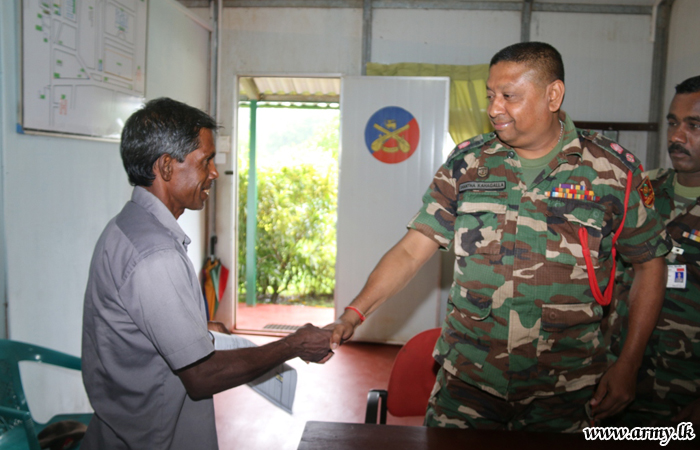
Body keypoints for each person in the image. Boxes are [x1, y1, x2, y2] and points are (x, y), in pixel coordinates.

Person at [327, 42, 671, 432]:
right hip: (468, 382)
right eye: (490, 95)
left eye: (509, 96)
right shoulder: (468, 163)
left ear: (553, 95)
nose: (494, 109)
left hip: (566, 390)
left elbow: (650, 264)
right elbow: (411, 250)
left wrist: (628, 363)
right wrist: (353, 315)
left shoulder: (612, 171)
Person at [81, 97, 333, 450]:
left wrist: (197, 328)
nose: (214, 172)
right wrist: (293, 344)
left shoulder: (126, 226)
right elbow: (202, 376)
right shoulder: (156, 256)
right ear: (166, 167)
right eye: (205, 161)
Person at [610, 75, 700, 427]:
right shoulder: (642, 190)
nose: (677, 137)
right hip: (618, 385)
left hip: (685, 394)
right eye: (673, 123)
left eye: (694, 125)